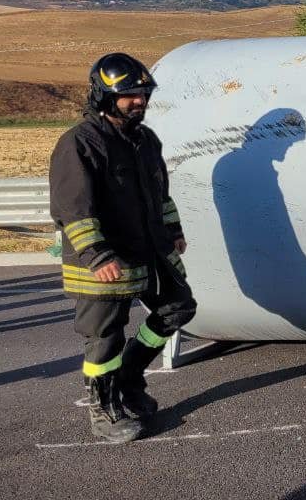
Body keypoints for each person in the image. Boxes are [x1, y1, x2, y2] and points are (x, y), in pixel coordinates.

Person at [49, 52, 196, 443]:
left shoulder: (146, 140)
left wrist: (173, 229)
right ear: (104, 96)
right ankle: (105, 409)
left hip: (148, 249)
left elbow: (160, 193)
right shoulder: (79, 143)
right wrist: (97, 255)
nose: (139, 101)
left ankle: (130, 377)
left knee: (178, 306)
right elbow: (72, 209)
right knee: (104, 337)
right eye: (130, 94)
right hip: (101, 260)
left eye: (143, 93)